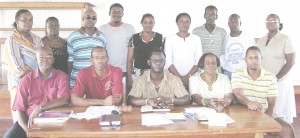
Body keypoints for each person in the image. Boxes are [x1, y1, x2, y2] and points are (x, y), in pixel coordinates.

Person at [3, 46, 69, 138]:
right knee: (9, 136)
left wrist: (40, 108)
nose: (45, 60)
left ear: (53, 60)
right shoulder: (26, 80)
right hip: (29, 120)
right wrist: (28, 131)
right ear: (36, 60)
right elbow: (19, 109)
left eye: (48, 56)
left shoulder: (62, 76)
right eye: (41, 57)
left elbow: (64, 100)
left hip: (54, 121)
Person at [232, 46, 295, 138]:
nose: (254, 60)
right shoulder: (237, 74)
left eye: (256, 57)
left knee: (287, 130)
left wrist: (264, 120)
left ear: (261, 58)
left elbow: (272, 104)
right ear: (245, 60)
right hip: (243, 113)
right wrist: (249, 103)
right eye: (250, 58)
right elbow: (238, 94)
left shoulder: (271, 77)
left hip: (265, 112)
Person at [3, 9, 43, 122]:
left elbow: (43, 60)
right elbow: (17, 67)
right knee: (20, 119)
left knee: (35, 117)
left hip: (38, 83)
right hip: (20, 83)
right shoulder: (12, 40)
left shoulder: (37, 39)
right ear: (17, 22)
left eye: (30, 20)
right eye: (24, 20)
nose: (28, 22)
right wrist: (35, 81)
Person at [257, 14, 296, 123]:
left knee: (279, 111)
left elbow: (291, 62)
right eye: (268, 21)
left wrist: (276, 78)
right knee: (267, 111)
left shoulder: (285, 39)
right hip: (264, 82)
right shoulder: (261, 40)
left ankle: (283, 131)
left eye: (274, 21)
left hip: (280, 82)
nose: (271, 23)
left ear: (279, 24)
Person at [67, 9, 107, 88]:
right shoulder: (73, 37)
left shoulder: (102, 37)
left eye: (93, 18)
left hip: (96, 80)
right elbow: (70, 61)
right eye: (88, 17)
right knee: (76, 100)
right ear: (83, 19)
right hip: (77, 79)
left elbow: (103, 60)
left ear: (96, 20)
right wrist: (68, 78)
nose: (91, 20)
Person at [165, 13, 202, 89]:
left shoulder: (196, 39)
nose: (184, 24)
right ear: (177, 23)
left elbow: (199, 61)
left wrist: (188, 77)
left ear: (190, 23)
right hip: (174, 78)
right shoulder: (170, 39)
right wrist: (180, 78)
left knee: (193, 99)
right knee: (176, 100)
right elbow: (168, 62)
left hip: (193, 78)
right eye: (181, 21)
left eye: (187, 21)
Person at [127, 13, 164, 89]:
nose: (148, 25)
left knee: (154, 98)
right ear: (141, 23)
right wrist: (129, 78)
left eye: (151, 22)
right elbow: (129, 60)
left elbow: (163, 59)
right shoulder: (134, 38)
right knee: (138, 98)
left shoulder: (160, 38)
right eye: (145, 22)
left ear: (154, 24)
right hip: (137, 75)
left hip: (155, 75)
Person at [99, 3, 135, 75]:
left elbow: (135, 48)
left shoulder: (130, 28)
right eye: (114, 11)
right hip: (107, 69)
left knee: (125, 86)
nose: (116, 14)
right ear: (109, 13)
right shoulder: (102, 29)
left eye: (119, 12)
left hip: (125, 69)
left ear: (122, 14)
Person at [220, 14, 256, 79]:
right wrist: (223, 67)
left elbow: (254, 56)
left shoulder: (248, 38)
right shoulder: (225, 39)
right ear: (228, 24)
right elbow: (222, 55)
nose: (233, 24)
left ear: (240, 23)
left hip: (244, 73)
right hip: (228, 73)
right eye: (231, 22)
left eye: (236, 21)